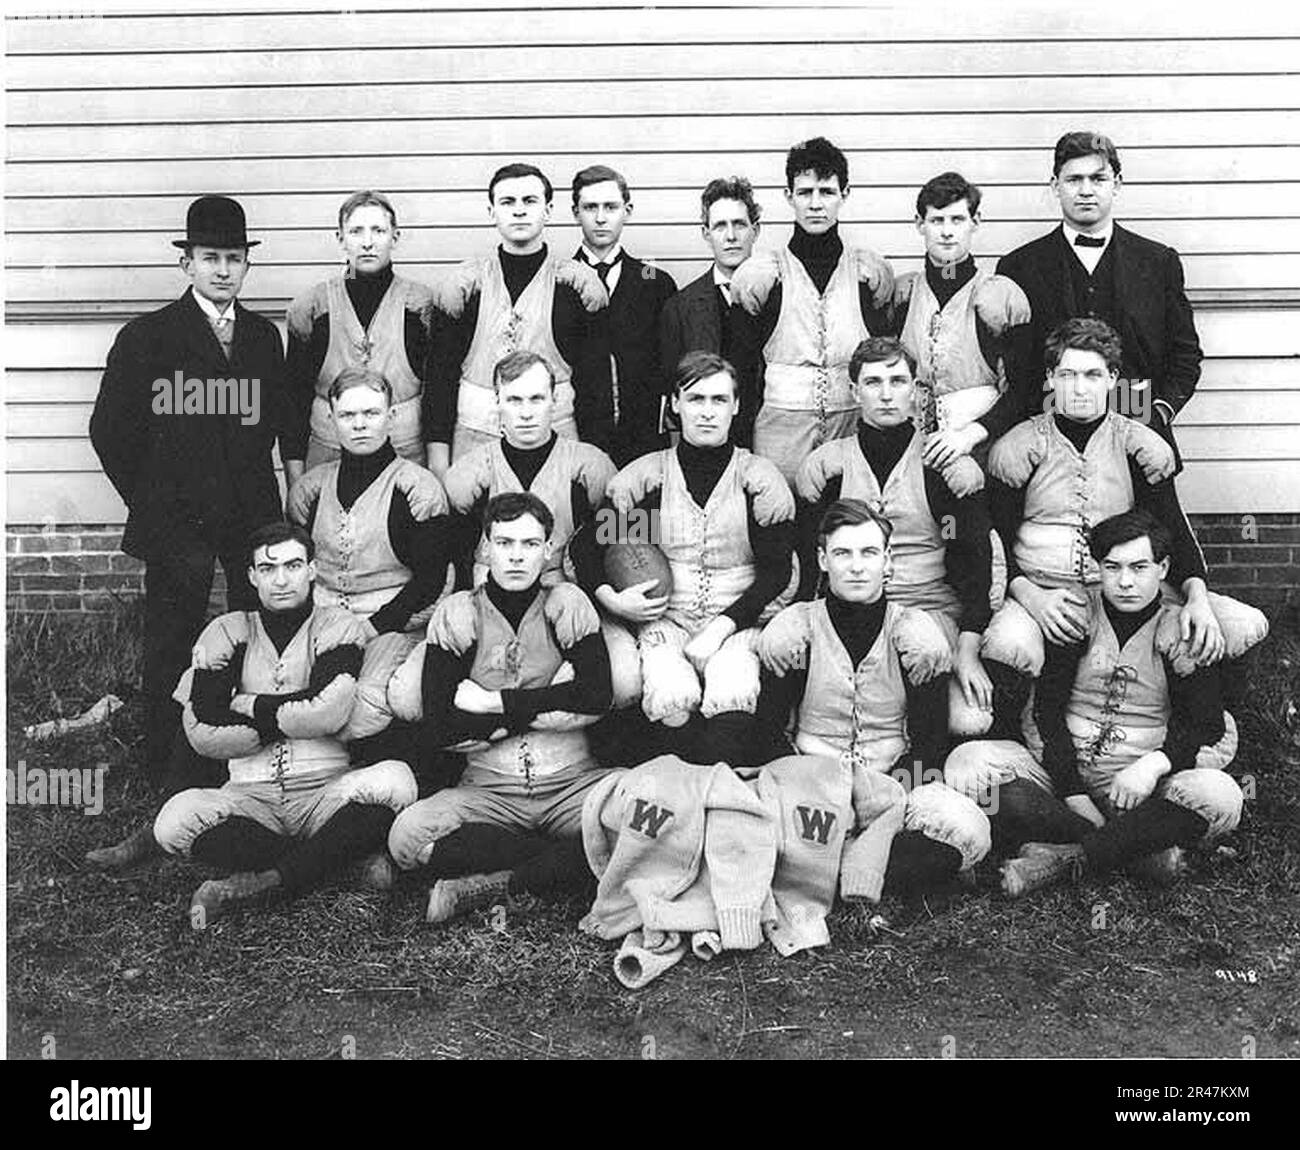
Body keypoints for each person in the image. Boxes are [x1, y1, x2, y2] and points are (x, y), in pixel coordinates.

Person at [89, 195, 288, 795]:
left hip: (248, 512)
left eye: (233, 259)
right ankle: (168, 766)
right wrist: (151, 499)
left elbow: (269, 423)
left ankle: (244, 752)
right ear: (187, 264)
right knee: (173, 639)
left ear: (247, 265)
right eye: (210, 258)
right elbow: (109, 431)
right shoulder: (148, 337)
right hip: (177, 518)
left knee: (256, 630)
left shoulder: (262, 337)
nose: (222, 270)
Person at [945, 509, 1244, 897]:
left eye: (1139, 567)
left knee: (1221, 796)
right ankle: (1136, 851)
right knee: (966, 765)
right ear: (1098, 567)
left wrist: (1153, 766)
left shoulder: (1181, 627)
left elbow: (1206, 723)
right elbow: (1046, 713)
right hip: (1065, 777)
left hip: (1143, 785)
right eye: (1112, 567)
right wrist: (1074, 792)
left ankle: (1070, 857)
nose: (1125, 581)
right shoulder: (1077, 614)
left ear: (1164, 567)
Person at [980, 318, 1264, 700]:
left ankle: (1204, 715)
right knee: (1008, 643)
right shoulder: (1020, 446)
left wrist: (1197, 598)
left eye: (1093, 375)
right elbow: (996, 536)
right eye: (1067, 375)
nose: (1080, 388)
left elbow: (1173, 530)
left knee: (1239, 624)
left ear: (1113, 378)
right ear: (1050, 378)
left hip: (1124, 589)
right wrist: (1031, 596)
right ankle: (1023, 720)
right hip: (1042, 590)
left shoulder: (1139, 444)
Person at [152, 523, 419, 923]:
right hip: (249, 796)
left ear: (312, 570)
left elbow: (329, 711)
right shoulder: (227, 630)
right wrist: (299, 710)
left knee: (397, 781)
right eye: (268, 568)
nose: (281, 580)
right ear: (251, 576)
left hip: (324, 790)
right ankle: (335, 866)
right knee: (172, 823)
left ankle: (267, 882)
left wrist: (243, 704)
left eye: (293, 566)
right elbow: (205, 729)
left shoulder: (336, 625)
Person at [385, 492, 614, 923]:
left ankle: (502, 881)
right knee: (408, 839)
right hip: (489, 792)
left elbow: (597, 694)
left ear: (548, 549)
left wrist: (496, 704)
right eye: (505, 543)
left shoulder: (566, 602)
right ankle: (562, 862)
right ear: (486, 547)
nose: (517, 556)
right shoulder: (459, 611)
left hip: (571, 782)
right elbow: (440, 724)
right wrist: (548, 702)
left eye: (530, 544)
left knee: (651, 817)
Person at [758, 499, 992, 894]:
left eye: (868, 552)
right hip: (811, 785)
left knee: (968, 828)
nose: (856, 566)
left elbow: (929, 744)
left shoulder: (916, 633)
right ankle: (857, 865)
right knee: (764, 824)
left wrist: (886, 799)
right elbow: (768, 734)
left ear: (887, 561)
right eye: (842, 553)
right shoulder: (796, 629)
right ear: (823, 560)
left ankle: (833, 865)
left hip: (891, 785)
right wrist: (810, 791)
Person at [598, 351, 796, 765]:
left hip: (739, 618)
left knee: (733, 690)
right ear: (675, 403)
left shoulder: (756, 478)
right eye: (695, 399)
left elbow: (776, 572)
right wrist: (613, 599)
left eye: (719, 400)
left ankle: (717, 782)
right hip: (666, 618)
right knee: (670, 692)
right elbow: (595, 548)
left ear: (736, 406)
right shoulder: (650, 479)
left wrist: (722, 627)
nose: (707, 412)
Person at [795, 337, 996, 735]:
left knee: (969, 720)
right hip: (848, 613)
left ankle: (922, 764)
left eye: (898, 381)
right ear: (855, 391)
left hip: (927, 609)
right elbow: (809, 559)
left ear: (915, 391)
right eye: (873, 382)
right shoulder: (828, 467)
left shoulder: (943, 468)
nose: (886, 395)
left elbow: (974, 563)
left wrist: (968, 650)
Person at [997, 131, 1202, 456]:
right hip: (1047, 440)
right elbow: (1013, 367)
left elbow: (1185, 354)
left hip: (1139, 431)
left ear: (1116, 184)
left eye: (1098, 178)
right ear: (1055, 186)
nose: (1086, 190)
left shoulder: (1157, 262)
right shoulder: (1019, 266)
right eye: (1074, 179)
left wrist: (1160, 412)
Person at [425, 163, 611, 473]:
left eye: (530, 200)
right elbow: (439, 383)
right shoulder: (462, 287)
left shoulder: (579, 286)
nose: (519, 210)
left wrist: (595, 458)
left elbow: (596, 387)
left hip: (558, 444)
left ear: (548, 210)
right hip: (475, 442)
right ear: (491, 211)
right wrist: (438, 461)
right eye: (508, 202)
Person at [728, 136, 894, 482]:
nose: (816, 204)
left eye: (827, 191)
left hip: (851, 432)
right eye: (805, 192)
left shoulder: (868, 274)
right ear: (789, 196)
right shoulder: (762, 277)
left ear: (844, 194)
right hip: (779, 437)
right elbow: (740, 370)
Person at [885, 171, 1033, 477]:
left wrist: (970, 434)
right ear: (919, 224)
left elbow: (1023, 390)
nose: (947, 232)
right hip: (912, 450)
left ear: (975, 222)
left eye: (957, 220)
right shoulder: (903, 294)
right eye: (937, 220)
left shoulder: (1000, 296)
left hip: (980, 449)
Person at [283, 191, 435, 475]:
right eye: (356, 231)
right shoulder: (313, 307)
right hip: (329, 458)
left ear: (395, 237)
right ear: (340, 238)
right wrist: (295, 476)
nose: (367, 242)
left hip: (405, 457)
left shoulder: (421, 306)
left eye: (378, 230)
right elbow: (294, 401)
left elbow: (438, 396)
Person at [571, 164, 678, 465]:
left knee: (642, 500)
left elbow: (670, 364)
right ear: (575, 213)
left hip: (643, 442)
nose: (600, 217)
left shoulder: (654, 281)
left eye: (611, 207)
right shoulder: (561, 282)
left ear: (627, 211)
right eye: (590, 207)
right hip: (578, 440)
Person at [659, 176, 762, 391]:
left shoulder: (779, 297)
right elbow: (672, 388)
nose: (731, 236)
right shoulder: (679, 309)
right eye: (720, 226)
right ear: (706, 234)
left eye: (739, 225)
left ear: (755, 231)